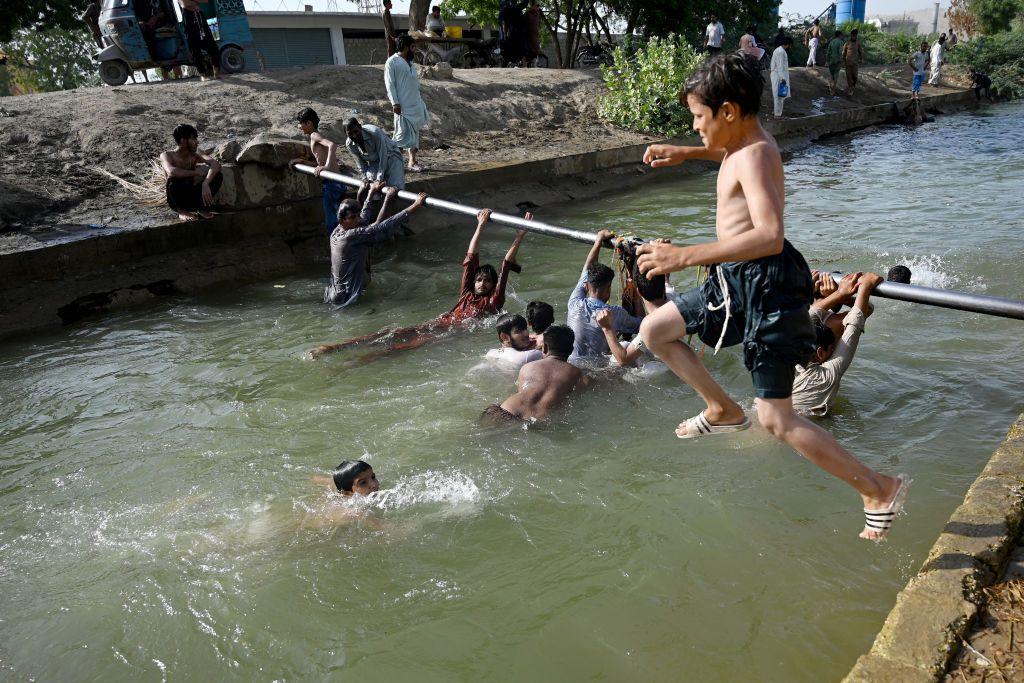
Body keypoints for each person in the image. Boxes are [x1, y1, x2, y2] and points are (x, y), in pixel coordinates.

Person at [636, 53, 908, 541]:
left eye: (699, 118)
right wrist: (686, 151)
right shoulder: (741, 145)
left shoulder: (757, 153)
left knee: (777, 418)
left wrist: (685, 256)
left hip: (764, 287)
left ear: (728, 112)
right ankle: (722, 410)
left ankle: (878, 487)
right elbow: (727, 156)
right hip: (734, 281)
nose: (695, 128)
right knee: (654, 330)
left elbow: (770, 236)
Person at [309, 210, 528, 359]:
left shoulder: (493, 302)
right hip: (440, 323)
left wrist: (519, 237)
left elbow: (506, 265)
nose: (481, 284)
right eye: (479, 280)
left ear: (493, 285)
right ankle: (335, 348)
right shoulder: (466, 294)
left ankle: (360, 362)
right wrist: (480, 225)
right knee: (392, 333)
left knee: (403, 347)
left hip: (451, 332)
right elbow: (471, 259)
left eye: (486, 281)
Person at [792, 273, 882, 417]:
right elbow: (856, 323)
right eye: (833, 348)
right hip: (800, 425)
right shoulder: (825, 375)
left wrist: (839, 294)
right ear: (820, 352)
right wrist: (864, 285)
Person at [323, 186, 427, 308]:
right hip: (346, 298)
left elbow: (364, 219)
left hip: (336, 294)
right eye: (353, 217)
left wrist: (371, 194)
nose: (357, 220)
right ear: (342, 221)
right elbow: (381, 226)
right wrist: (415, 205)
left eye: (357, 216)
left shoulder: (337, 231)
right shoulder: (350, 236)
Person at [567, 229, 642, 363]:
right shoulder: (614, 313)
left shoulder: (574, 303)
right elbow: (643, 325)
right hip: (597, 373)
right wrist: (635, 291)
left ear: (587, 286)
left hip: (570, 364)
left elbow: (587, 268)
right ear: (609, 288)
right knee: (626, 346)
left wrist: (598, 240)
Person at [482, 325, 582, 424]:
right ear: (571, 350)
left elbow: (523, 392)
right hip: (537, 421)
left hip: (506, 409)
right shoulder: (578, 375)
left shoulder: (528, 367)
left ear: (545, 348)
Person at [288, 107, 344, 235]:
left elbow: (332, 145)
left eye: (301, 123)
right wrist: (302, 162)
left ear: (309, 123)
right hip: (338, 182)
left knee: (332, 222)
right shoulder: (314, 136)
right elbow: (320, 163)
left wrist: (327, 167)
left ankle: (336, 246)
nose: (299, 127)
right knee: (341, 218)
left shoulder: (314, 135)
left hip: (331, 183)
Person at [385, 34, 431, 172]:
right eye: (413, 47)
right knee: (400, 136)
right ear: (405, 47)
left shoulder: (410, 63)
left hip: (415, 105)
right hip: (403, 107)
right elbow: (390, 85)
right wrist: (395, 103)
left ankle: (412, 161)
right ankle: (394, 164)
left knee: (415, 134)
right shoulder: (392, 62)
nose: (415, 49)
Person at [160, 123, 222, 221]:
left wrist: (206, 183)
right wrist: (196, 173)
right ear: (183, 140)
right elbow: (172, 171)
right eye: (193, 139)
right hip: (176, 198)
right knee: (173, 180)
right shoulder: (167, 155)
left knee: (218, 175)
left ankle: (199, 207)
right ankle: (182, 211)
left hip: (191, 194)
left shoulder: (196, 153)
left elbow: (215, 164)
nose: (197, 142)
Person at [344, 117, 406, 196]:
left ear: (360, 127)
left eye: (356, 131)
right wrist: (365, 178)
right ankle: (372, 206)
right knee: (371, 188)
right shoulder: (349, 144)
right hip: (374, 162)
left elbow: (383, 155)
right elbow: (360, 163)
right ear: (346, 134)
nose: (354, 135)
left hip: (392, 157)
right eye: (350, 134)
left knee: (394, 190)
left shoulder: (374, 132)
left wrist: (379, 179)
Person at [177, 0, 221, 80]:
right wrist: (196, 3)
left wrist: (192, 2)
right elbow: (185, 4)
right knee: (195, 49)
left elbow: (206, 0)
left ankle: (216, 72)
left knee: (212, 45)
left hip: (199, 15)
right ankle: (203, 75)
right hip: (188, 17)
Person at [771, 36, 792, 118]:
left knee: (778, 94)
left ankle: (777, 112)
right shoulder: (780, 52)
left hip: (778, 74)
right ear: (788, 44)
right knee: (778, 95)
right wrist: (782, 78)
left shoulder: (779, 50)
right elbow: (779, 66)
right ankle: (777, 114)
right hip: (778, 75)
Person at [842, 28, 865, 95]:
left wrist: (861, 59)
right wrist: (843, 61)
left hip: (855, 63)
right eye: (853, 35)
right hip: (848, 63)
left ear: (856, 36)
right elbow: (843, 53)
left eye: (855, 36)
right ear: (851, 35)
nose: (854, 37)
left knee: (855, 77)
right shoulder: (847, 43)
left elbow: (860, 52)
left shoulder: (858, 43)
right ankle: (850, 89)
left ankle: (853, 87)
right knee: (849, 77)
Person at [826, 30, 845, 95]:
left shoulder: (831, 42)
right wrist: (842, 60)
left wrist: (827, 61)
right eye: (842, 35)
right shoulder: (840, 42)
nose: (842, 36)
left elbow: (828, 52)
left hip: (831, 61)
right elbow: (840, 52)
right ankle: (833, 91)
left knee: (831, 75)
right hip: (837, 61)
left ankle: (830, 88)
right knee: (836, 75)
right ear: (839, 35)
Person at [526, 2, 543, 66]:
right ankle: (527, 64)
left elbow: (539, 25)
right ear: (532, 6)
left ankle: (534, 64)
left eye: (538, 6)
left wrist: (539, 32)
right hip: (528, 35)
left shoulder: (538, 15)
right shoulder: (528, 14)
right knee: (529, 49)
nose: (537, 7)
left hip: (536, 35)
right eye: (536, 6)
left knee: (536, 49)